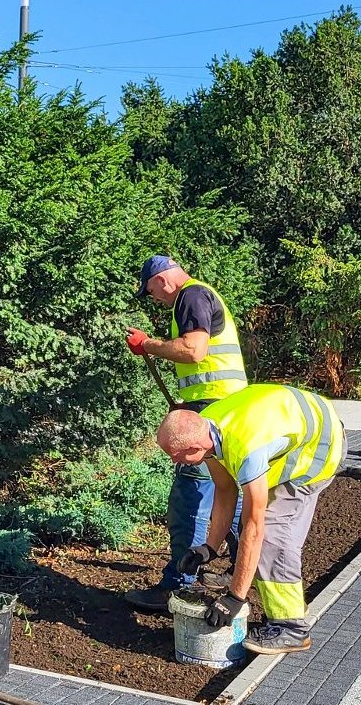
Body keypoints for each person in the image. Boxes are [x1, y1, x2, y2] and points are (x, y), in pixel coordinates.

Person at [156, 383, 344, 654]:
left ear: (194, 447)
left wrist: (234, 598)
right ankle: (282, 605)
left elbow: (255, 529)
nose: (177, 463)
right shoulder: (207, 429)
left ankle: (291, 628)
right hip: (293, 424)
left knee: (271, 535)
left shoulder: (247, 450)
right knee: (256, 526)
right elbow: (225, 488)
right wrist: (208, 548)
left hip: (318, 446)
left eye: (177, 457)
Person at [122, 255, 249, 613]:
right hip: (221, 407)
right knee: (228, 490)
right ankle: (240, 570)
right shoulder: (202, 295)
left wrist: (148, 345)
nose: (156, 300)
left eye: (151, 292)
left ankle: (179, 584)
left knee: (189, 494)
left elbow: (194, 350)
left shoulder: (190, 297)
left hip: (210, 408)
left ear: (161, 281)